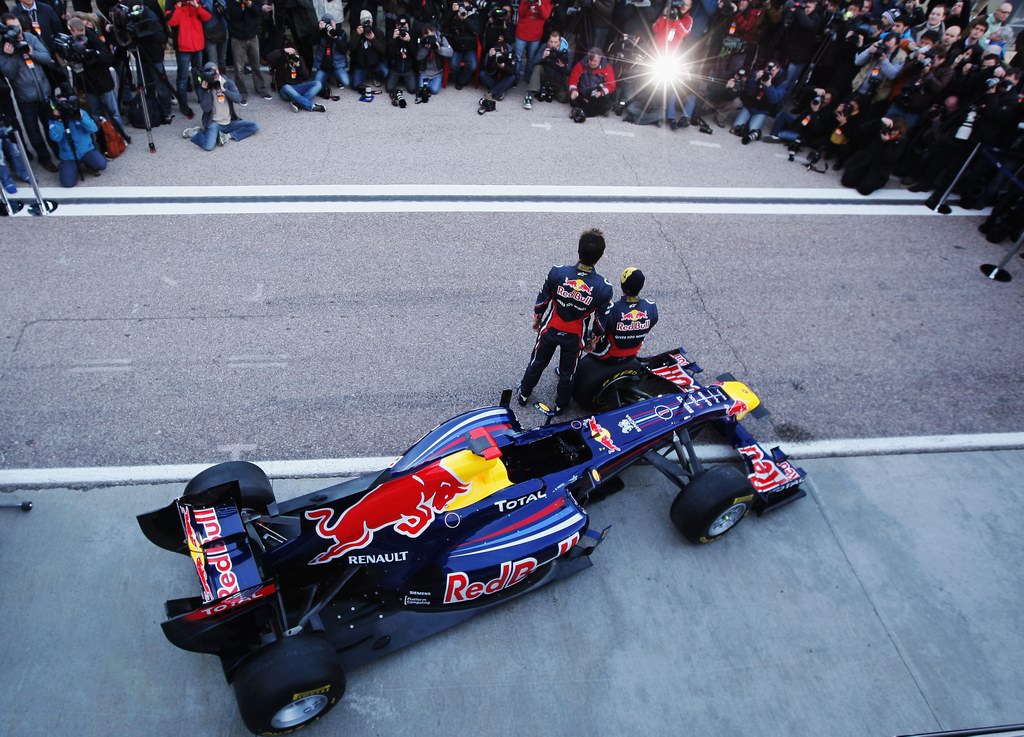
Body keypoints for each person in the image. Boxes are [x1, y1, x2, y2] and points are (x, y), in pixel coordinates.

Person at [516, 228, 614, 415]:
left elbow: (543, 299)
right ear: (600, 256)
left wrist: (537, 318)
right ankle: (560, 405)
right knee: (568, 373)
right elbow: (601, 320)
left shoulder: (557, 272)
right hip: (575, 337)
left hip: (550, 329)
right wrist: (593, 340)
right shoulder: (604, 287)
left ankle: (524, 394)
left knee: (537, 362)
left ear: (578, 250)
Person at [0, 14, 58, 171]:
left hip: (44, 92)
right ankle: (44, 158)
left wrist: (31, 51)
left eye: (18, 26)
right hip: (25, 98)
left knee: (51, 125)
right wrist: (10, 55)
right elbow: (9, 74)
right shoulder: (4, 47)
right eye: (12, 28)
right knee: (33, 131)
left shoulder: (30, 37)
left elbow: (47, 57)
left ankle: (58, 152)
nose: (17, 31)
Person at [181, 61, 259, 148]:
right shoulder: (204, 87)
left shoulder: (227, 82)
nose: (214, 75)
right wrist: (205, 91)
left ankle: (227, 136)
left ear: (218, 70)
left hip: (229, 122)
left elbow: (238, 99)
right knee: (208, 146)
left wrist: (224, 90)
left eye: (215, 71)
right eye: (211, 73)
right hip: (215, 124)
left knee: (254, 126)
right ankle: (196, 133)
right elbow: (206, 109)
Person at [590, 268, 659, 363]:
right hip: (632, 354)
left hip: (608, 354)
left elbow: (596, 333)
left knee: (585, 333)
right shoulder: (652, 307)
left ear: (622, 285)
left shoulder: (609, 309)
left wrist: (590, 345)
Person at [47, 95, 108, 187]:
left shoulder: (81, 112)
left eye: (66, 104)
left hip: (86, 151)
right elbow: (55, 138)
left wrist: (81, 118)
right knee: (68, 183)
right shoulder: (53, 120)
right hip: (69, 156)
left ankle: (88, 164)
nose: (65, 107)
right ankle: (67, 167)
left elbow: (93, 129)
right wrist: (59, 121)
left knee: (101, 164)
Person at [166, 0, 212, 118]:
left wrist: (197, 6)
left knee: (198, 75)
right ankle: (183, 105)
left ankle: (201, 97)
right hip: (183, 48)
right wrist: (179, 6)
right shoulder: (172, 3)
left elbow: (207, 16)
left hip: (198, 46)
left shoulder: (197, 2)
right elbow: (172, 21)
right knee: (182, 78)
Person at [227, 0, 272, 102]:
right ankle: (242, 92)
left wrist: (250, 5)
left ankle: (261, 90)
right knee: (239, 68)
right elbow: (234, 15)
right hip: (237, 37)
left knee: (256, 65)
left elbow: (258, 12)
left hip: (252, 36)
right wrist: (240, 4)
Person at [268, 45, 326, 111]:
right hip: (285, 91)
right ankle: (311, 106)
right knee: (286, 87)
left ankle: (298, 103)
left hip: (298, 87)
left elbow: (306, 76)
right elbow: (269, 57)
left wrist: (298, 66)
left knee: (318, 84)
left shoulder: (299, 59)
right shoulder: (281, 59)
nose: (292, 56)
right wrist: (283, 50)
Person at [567, 46, 616, 122]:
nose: (592, 63)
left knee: (607, 104)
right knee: (573, 100)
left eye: (594, 61)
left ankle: (582, 111)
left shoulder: (607, 68)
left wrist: (601, 92)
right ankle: (591, 110)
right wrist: (573, 90)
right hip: (584, 94)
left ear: (600, 59)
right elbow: (573, 79)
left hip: (597, 95)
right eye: (590, 60)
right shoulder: (581, 65)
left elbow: (611, 85)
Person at [313, 13, 349, 96]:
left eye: (331, 22)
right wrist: (319, 29)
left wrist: (335, 37)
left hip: (337, 66)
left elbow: (343, 50)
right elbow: (312, 42)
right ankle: (326, 77)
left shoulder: (341, 32)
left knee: (346, 82)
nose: (329, 25)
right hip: (323, 67)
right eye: (327, 23)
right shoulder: (320, 32)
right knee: (317, 85)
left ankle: (336, 77)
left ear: (334, 22)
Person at [415, 22, 452, 98]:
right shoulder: (422, 41)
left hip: (437, 72)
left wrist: (439, 49)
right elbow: (418, 57)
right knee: (421, 89)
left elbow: (450, 52)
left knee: (434, 90)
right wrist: (425, 49)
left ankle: (428, 84)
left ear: (434, 32)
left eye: (429, 35)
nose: (428, 38)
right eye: (425, 35)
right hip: (424, 71)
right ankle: (426, 84)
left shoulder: (441, 38)